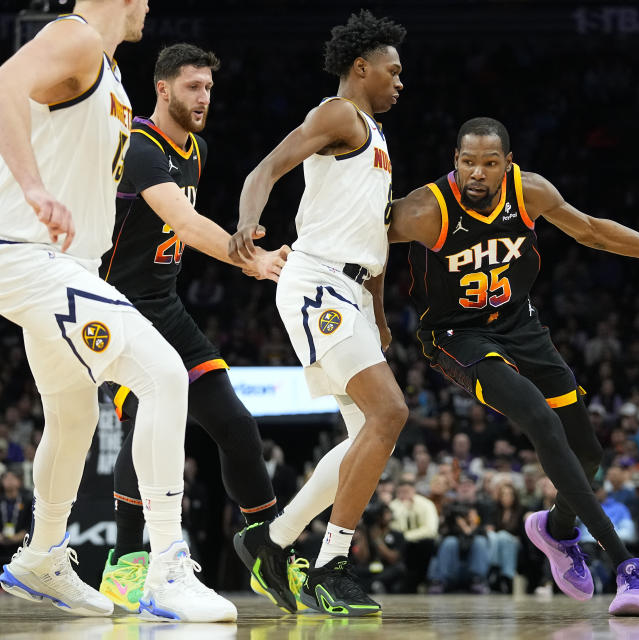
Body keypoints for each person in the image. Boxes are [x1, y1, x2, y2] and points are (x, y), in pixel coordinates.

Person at [388, 116, 639, 615]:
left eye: (490, 163)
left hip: (519, 325)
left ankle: (555, 532)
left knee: (588, 453)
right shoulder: (425, 210)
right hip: (456, 335)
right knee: (540, 419)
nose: (478, 174)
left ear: (508, 164)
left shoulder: (530, 192)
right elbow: (362, 239)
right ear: (455, 161)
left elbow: (594, 232)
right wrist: (371, 317)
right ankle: (627, 567)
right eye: (468, 162)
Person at [0, 1, 234, 621]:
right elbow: (3, 84)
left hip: (62, 264)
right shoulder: (73, 38)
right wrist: (31, 187)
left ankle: (42, 557)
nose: (152, 5)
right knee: (162, 375)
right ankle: (165, 570)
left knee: (74, 415)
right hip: (29, 254)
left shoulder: (109, 74)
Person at [92, 42, 289, 613]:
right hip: (113, 308)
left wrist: (236, 252)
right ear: (163, 88)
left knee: (236, 425)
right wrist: (246, 257)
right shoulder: (139, 145)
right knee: (151, 426)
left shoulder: (195, 150)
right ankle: (129, 563)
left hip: (164, 304)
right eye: (192, 87)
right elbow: (185, 221)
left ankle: (268, 549)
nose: (203, 97)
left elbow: (182, 234)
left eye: (207, 87)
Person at [229, 10, 408, 616]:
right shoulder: (340, 115)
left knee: (368, 437)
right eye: (393, 70)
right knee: (391, 412)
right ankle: (331, 564)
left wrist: (378, 312)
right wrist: (248, 223)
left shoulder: (380, 139)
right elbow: (266, 169)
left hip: (353, 289)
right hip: (317, 282)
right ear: (361, 69)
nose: (399, 82)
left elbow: (375, 239)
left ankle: (272, 541)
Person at [389, 479, 438, 592]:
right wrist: (404, 510)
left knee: (425, 545)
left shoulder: (426, 504)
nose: (404, 495)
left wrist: (407, 536)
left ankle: (423, 581)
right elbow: (394, 529)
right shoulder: (394, 506)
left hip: (422, 543)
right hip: (402, 544)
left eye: (407, 491)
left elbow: (431, 530)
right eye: (401, 492)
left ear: (413, 491)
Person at [0, 470, 31, 566]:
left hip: (21, 546)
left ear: (19, 481)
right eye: (6, 478)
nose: (9, 481)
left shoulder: (27, 501)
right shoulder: (1, 500)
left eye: (12, 478)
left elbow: (29, 525)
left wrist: (16, 538)